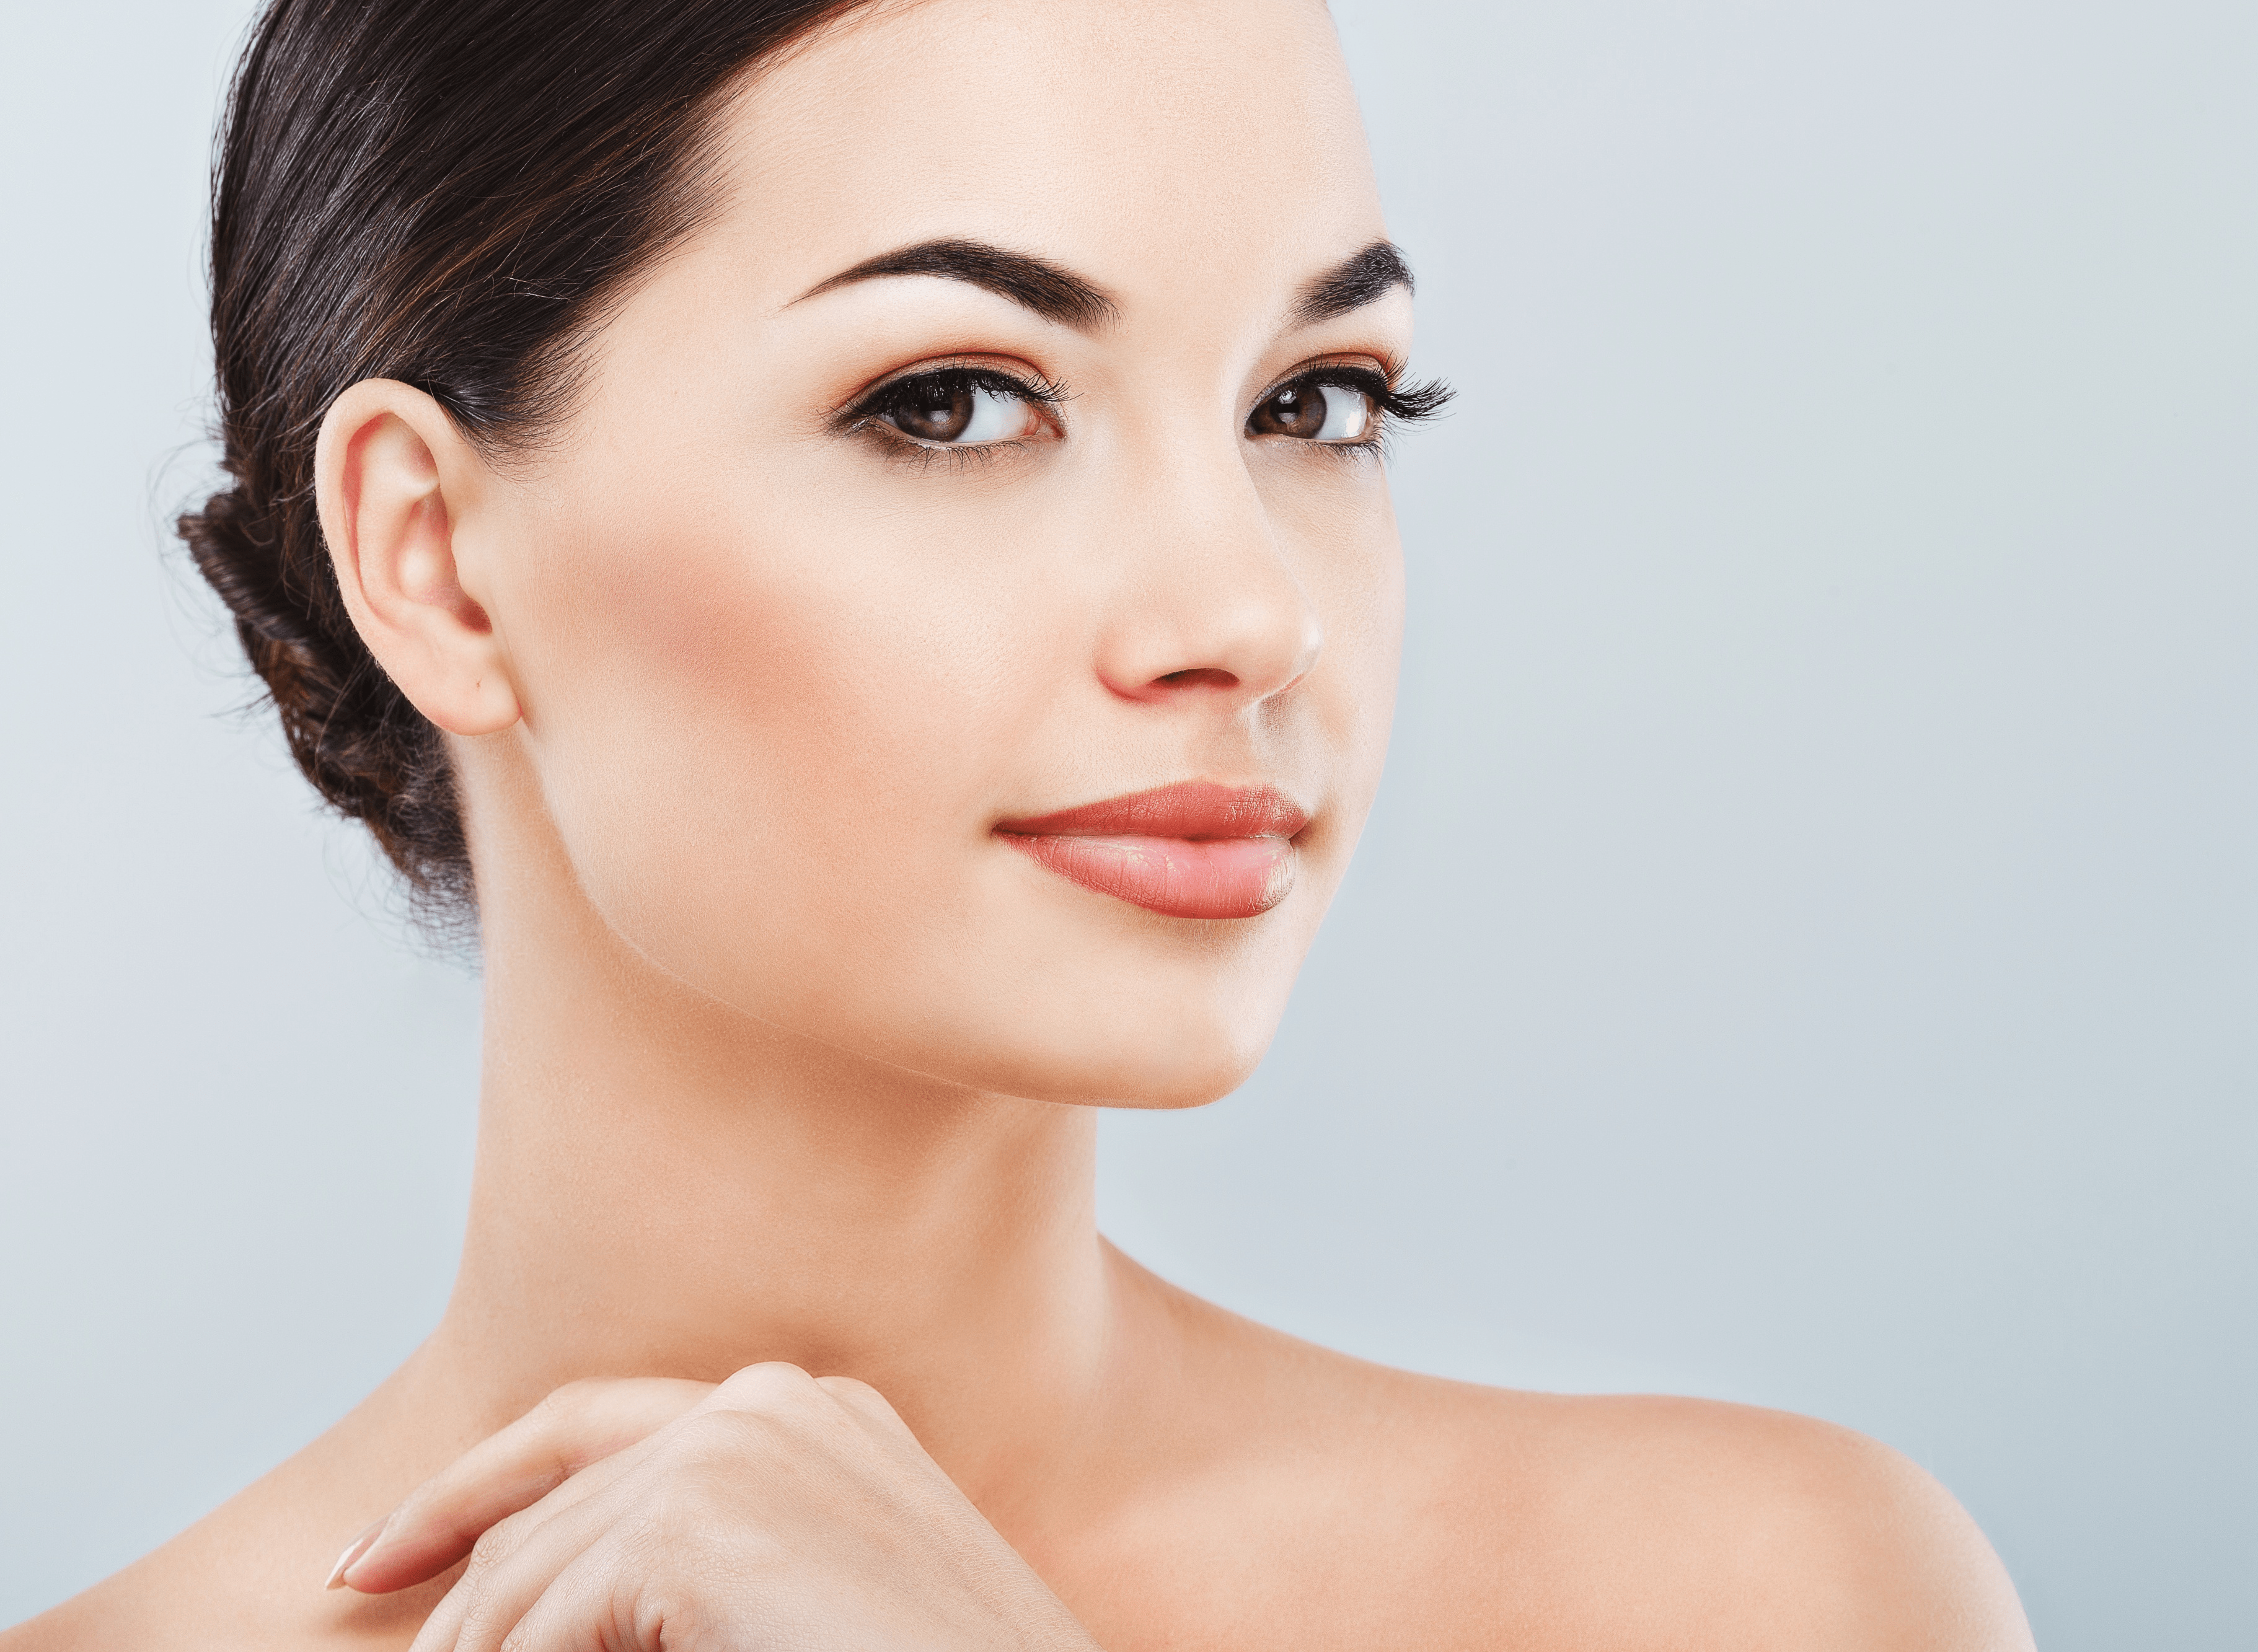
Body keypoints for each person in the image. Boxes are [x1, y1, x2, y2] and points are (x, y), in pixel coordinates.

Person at [4, 0, 2035, 1646]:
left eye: (1317, 400)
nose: (1253, 613)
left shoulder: (1767, 1600)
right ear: (436, 556)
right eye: (956, 400)